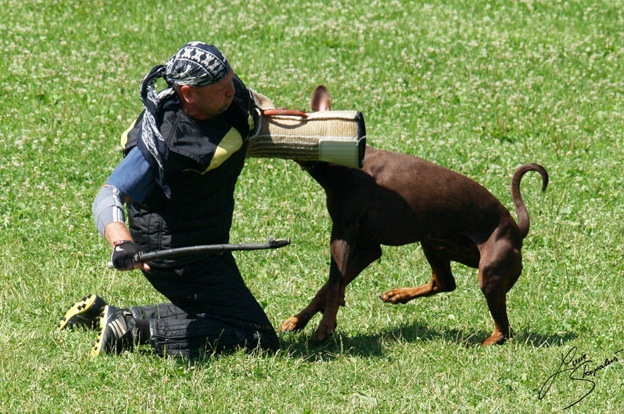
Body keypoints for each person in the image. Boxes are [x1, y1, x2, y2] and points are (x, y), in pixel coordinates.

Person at [59, 42, 280, 358]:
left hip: (205, 235)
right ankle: (131, 329)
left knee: (218, 313)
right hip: (175, 251)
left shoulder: (228, 94)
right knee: (255, 337)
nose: (232, 90)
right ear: (189, 94)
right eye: (221, 88)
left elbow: (249, 116)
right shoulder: (165, 140)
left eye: (232, 78)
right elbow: (108, 195)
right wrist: (122, 243)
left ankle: (106, 315)